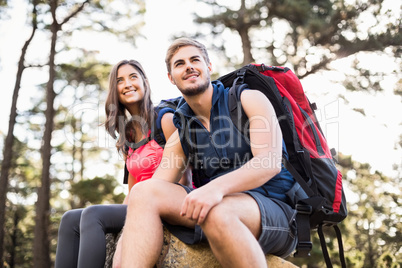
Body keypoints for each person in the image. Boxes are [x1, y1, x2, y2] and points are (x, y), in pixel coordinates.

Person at [119, 38, 297, 268]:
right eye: (180, 63)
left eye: (195, 60)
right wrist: (121, 248)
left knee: (216, 212)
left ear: (209, 66)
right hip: (217, 206)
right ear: (171, 78)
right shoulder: (183, 127)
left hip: (275, 209)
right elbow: (152, 191)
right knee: (143, 192)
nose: (189, 66)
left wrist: (214, 189)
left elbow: (269, 162)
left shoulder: (248, 99)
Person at [55, 59, 190, 268]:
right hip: (141, 202)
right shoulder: (128, 134)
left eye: (133, 77)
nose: (127, 83)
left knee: (93, 215)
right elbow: (132, 191)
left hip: (170, 199)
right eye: (120, 80)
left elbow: (184, 174)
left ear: (145, 82)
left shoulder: (164, 118)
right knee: (70, 219)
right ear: (115, 90)